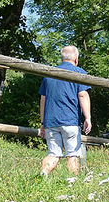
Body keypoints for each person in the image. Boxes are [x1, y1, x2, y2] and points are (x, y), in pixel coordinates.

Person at [38, 45, 92, 176]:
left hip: (51, 121)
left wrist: (42, 123)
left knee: (53, 154)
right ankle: (72, 184)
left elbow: (43, 100)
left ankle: (43, 173)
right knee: (73, 154)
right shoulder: (79, 72)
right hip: (70, 120)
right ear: (76, 59)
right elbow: (83, 95)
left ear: (62, 58)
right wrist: (88, 118)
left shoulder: (49, 73)